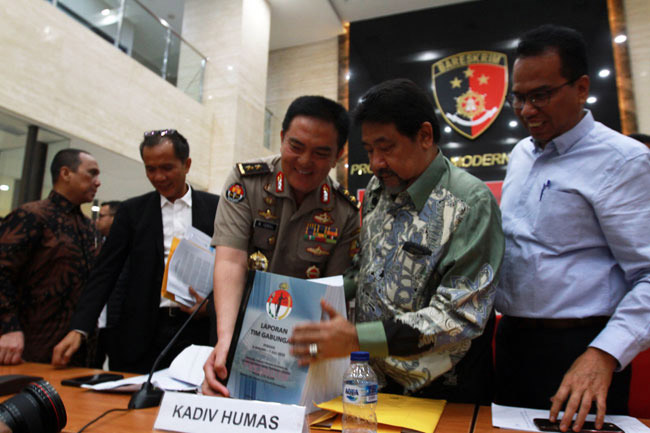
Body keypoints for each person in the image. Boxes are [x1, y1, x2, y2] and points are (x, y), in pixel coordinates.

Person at [289, 79, 504, 404]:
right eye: (369, 150)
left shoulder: (469, 203)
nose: (375, 163)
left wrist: (358, 337)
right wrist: (309, 297)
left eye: (386, 148)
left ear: (425, 136)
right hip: (374, 378)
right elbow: (364, 271)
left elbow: (458, 318)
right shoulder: (378, 189)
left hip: (442, 388)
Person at [495, 24, 650, 432]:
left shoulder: (624, 161)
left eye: (541, 95)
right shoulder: (520, 154)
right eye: (518, 98)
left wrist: (605, 354)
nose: (527, 110)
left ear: (581, 88)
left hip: (582, 350)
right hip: (513, 342)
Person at [202, 95, 361, 396]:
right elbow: (231, 260)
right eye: (295, 147)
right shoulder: (247, 181)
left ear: (338, 155)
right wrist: (226, 341)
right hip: (235, 320)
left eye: (320, 153)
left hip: (299, 337)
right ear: (281, 138)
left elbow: (330, 292)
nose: (304, 161)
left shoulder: (345, 211)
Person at [52, 129, 219, 373]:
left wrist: (211, 307)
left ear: (187, 164)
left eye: (167, 168)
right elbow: (105, 272)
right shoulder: (132, 212)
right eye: (151, 169)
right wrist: (80, 328)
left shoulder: (217, 209)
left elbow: (233, 269)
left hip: (198, 332)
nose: (159, 177)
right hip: (141, 334)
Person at [0, 149, 101, 365]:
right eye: (91, 173)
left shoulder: (89, 228)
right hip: (28, 348)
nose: (97, 182)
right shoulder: (31, 216)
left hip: (79, 353)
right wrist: (8, 328)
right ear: (66, 173)